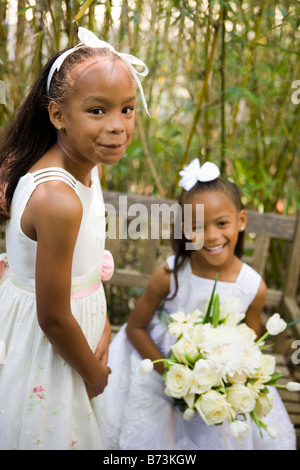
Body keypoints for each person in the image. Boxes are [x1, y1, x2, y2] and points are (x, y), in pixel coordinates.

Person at [0, 27, 149, 450]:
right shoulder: (58, 199)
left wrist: (101, 324)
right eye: (98, 111)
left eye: (127, 109)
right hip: (52, 347)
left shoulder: (86, 166)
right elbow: (52, 317)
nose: (118, 126)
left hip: (77, 332)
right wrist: (95, 372)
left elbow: (80, 271)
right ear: (57, 115)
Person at [106, 158, 296, 450]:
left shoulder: (252, 286)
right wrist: (170, 373)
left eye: (222, 223)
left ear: (241, 221)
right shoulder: (170, 275)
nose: (211, 236)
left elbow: (250, 345)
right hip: (162, 371)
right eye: (196, 226)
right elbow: (135, 329)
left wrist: (227, 385)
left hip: (216, 384)